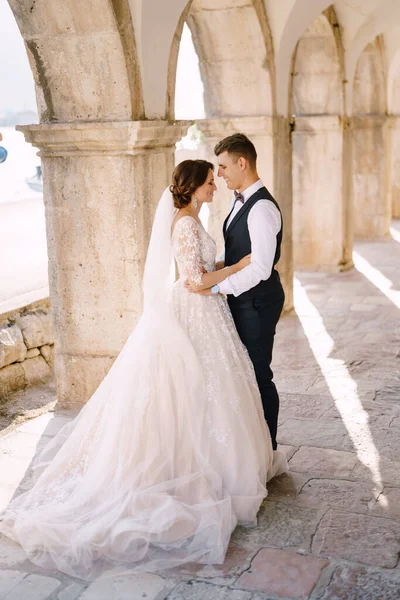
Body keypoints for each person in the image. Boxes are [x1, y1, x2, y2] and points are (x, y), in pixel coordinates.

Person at [0, 160, 286, 580]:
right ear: (192, 187)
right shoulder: (186, 225)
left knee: (214, 388)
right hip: (196, 308)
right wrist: (242, 266)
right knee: (195, 389)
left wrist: (228, 265)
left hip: (207, 314)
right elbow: (194, 281)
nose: (214, 187)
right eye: (209, 182)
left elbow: (201, 272)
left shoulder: (192, 219)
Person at [191, 134, 285, 451]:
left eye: (223, 166)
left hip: (257, 302)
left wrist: (217, 287)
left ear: (241, 163)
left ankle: (268, 448)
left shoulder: (261, 209)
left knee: (259, 374)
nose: (219, 174)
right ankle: (251, 445)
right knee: (243, 372)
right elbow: (238, 255)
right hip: (243, 299)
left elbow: (261, 268)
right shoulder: (241, 199)